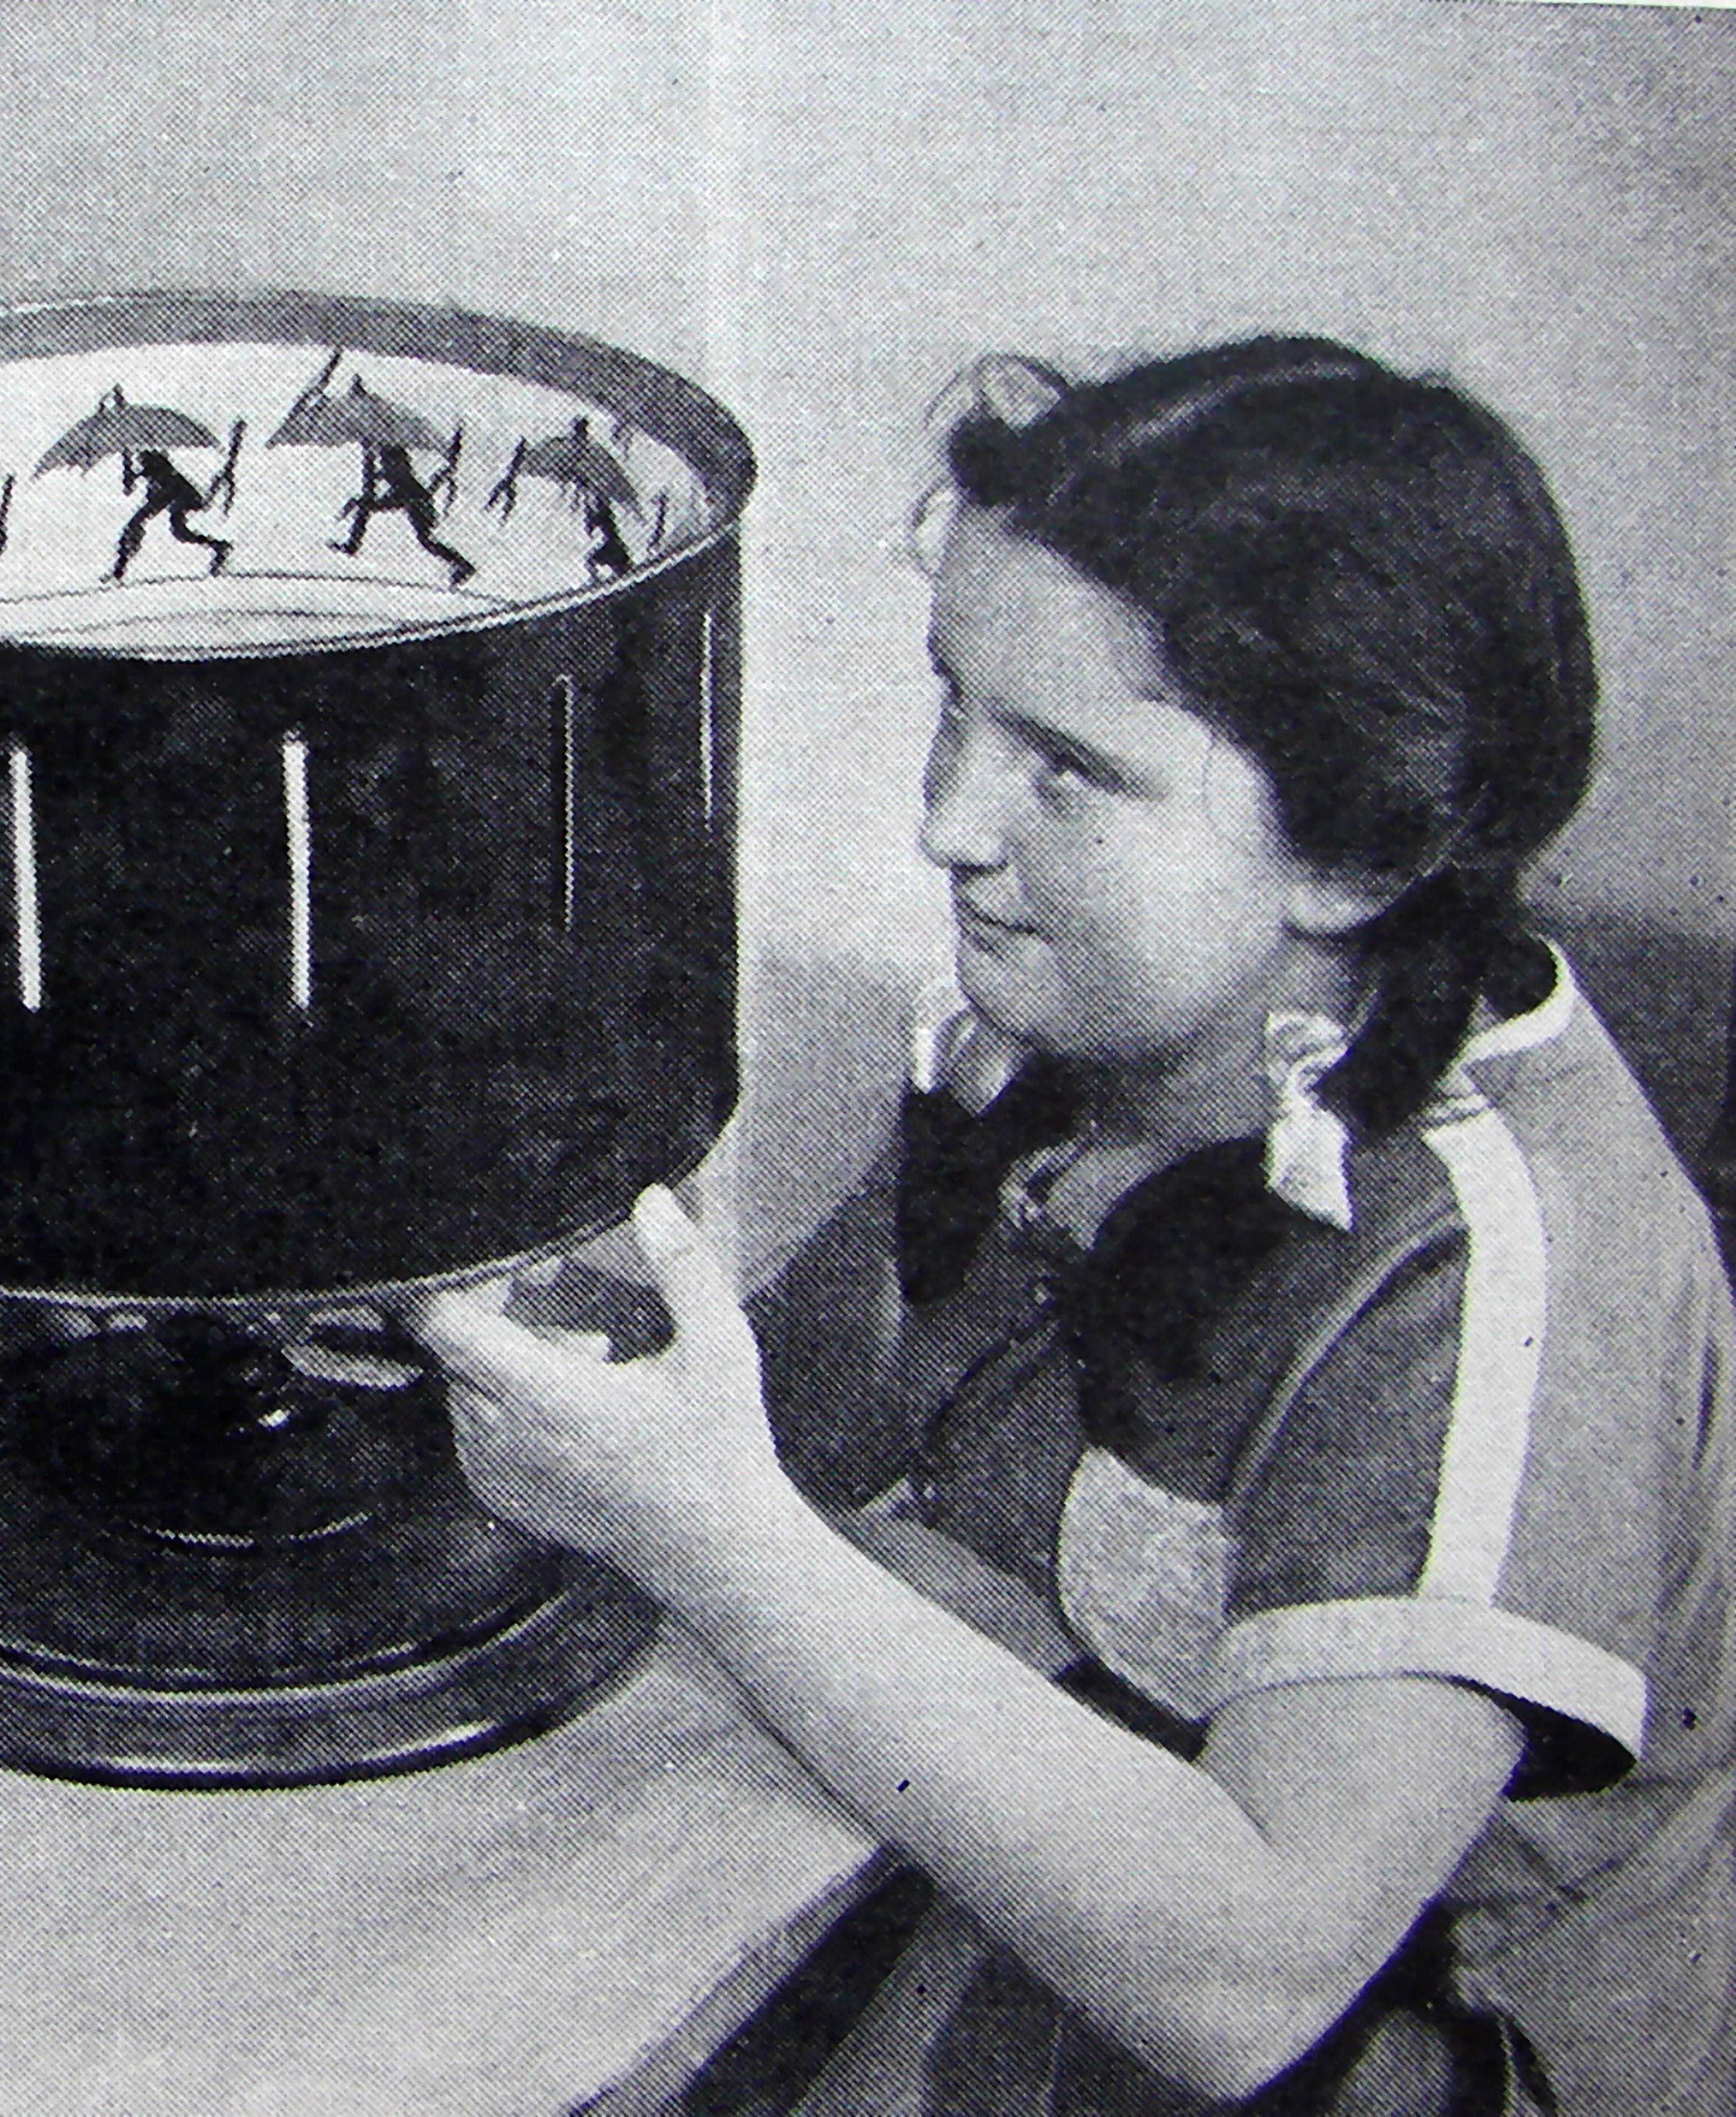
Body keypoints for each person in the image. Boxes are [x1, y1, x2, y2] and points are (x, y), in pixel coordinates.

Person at [412, 339, 1735, 2117]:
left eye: (1070, 769)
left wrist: (698, 1520)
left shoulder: (1502, 1264)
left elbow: (1251, 1972)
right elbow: (844, 1442)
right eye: (956, 701)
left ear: (1353, 853)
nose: (946, 820)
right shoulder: (1100, 1005)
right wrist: (581, 1343)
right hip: (1047, 1870)